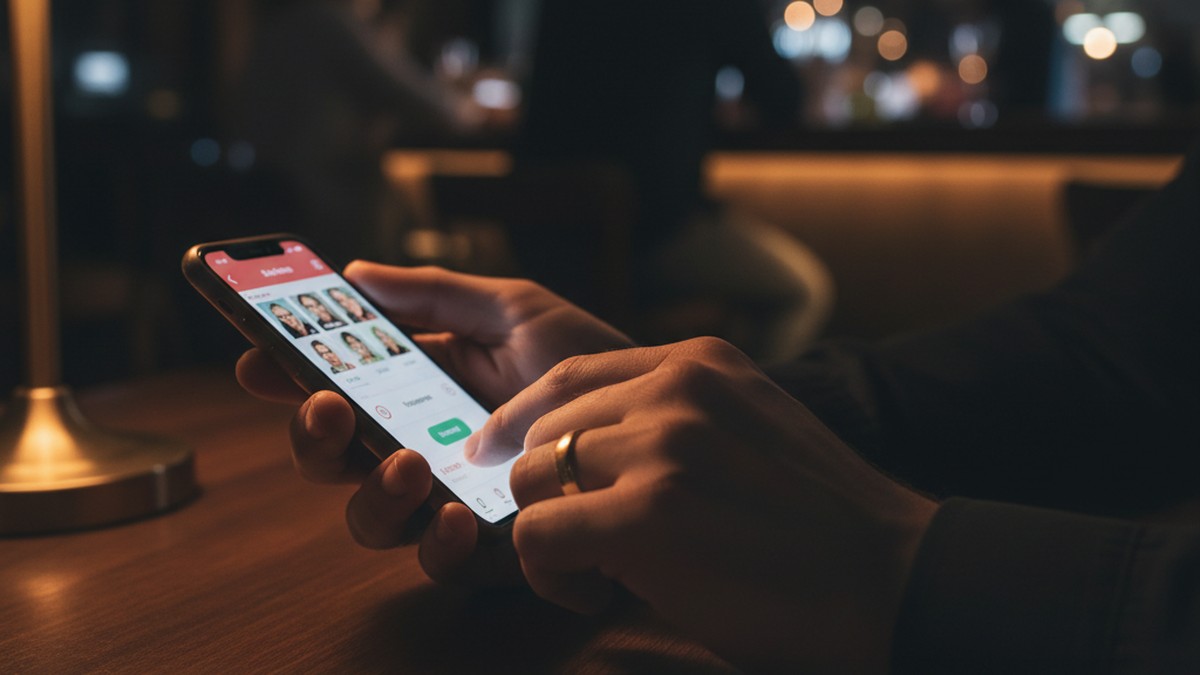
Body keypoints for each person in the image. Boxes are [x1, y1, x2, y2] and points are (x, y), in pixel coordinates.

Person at [238, 139, 1200, 672]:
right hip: (667, 215)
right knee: (788, 281)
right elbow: (1119, 352)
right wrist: (657, 415)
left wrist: (903, 563)